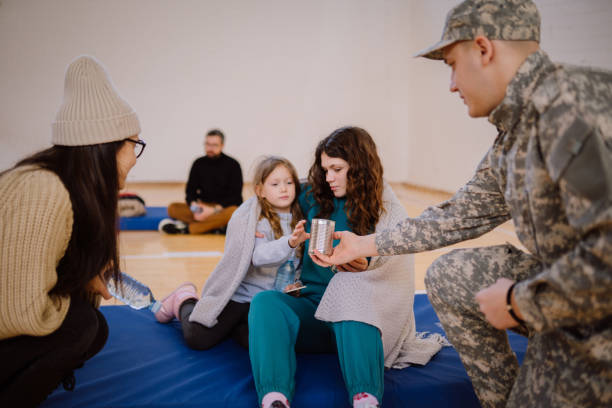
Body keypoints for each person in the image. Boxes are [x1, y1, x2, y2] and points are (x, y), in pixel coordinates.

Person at [312, 1, 612, 407]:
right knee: (450, 275)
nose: (452, 84)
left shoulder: (568, 108)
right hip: (572, 287)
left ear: (483, 48)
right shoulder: (519, 130)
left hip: (598, 307)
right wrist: (365, 244)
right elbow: (456, 217)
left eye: (453, 63)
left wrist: (519, 303)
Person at [248, 127, 447, 408]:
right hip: (313, 313)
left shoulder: (386, 207)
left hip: (359, 324)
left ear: (359, 165)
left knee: (347, 284)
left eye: (337, 169)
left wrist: (365, 263)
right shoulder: (312, 194)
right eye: (324, 168)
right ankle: (274, 396)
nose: (328, 177)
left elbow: (394, 265)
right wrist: (250, 227)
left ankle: (365, 398)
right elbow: (266, 194)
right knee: (265, 302)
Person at [0, 55, 145, 407]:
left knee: (91, 325)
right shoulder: (43, 191)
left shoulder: (68, 187)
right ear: (108, 145)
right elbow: (19, 313)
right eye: (134, 145)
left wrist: (82, 279)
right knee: (82, 326)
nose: (136, 157)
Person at [154, 156, 308, 350]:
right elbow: (259, 257)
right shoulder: (258, 221)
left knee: (260, 344)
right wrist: (290, 241)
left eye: (289, 182)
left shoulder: (301, 218)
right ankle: (184, 299)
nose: (284, 189)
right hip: (242, 297)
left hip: (267, 302)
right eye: (275, 184)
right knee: (198, 338)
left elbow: (297, 264)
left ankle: (235, 327)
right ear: (260, 191)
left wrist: (296, 283)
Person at [159, 129, 243, 234]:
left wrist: (213, 211)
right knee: (172, 208)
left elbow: (236, 197)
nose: (210, 148)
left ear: (222, 146)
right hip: (202, 207)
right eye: (207, 144)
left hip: (222, 209)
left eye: (214, 145)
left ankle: (187, 229)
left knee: (234, 213)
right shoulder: (198, 163)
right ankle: (216, 227)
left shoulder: (233, 165)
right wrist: (195, 207)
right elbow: (190, 191)